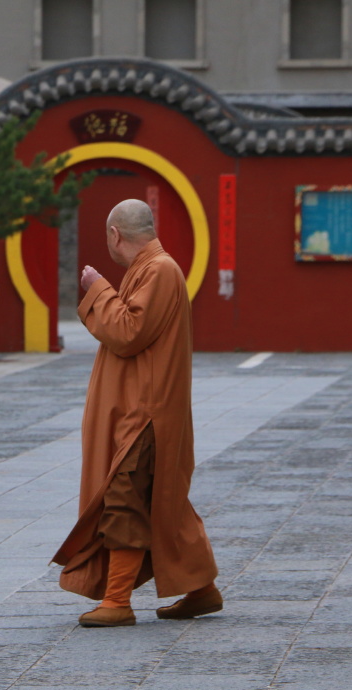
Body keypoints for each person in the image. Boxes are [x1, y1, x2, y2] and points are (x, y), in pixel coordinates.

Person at [52, 199, 221, 627]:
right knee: (162, 503)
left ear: (115, 235)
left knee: (123, 498)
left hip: (146, 413)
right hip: (145, 407)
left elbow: (127, 332)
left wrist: (98, 289)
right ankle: (201, 589)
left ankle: (117, 600)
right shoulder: (151, 270)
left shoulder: (159, 270)